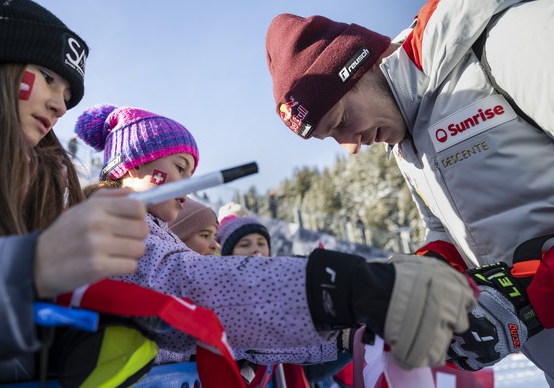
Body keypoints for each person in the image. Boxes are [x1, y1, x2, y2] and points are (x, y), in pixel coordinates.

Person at [265, 0, 554, 383]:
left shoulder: (506, 41)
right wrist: (415, 280)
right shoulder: (408, 143)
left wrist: (528, 296)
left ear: (360, 67)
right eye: (331, 138)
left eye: (341, 122)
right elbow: (446, 235)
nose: (350, 146)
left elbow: (524, 290)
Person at [75, 104, 476, 376]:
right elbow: (194, 290)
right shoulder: (115, 223)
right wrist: (333, 290)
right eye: (180, 167)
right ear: (131, 164)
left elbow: (229, 329)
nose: (188, 185)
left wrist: (338, 330)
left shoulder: (144, 227)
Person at [0, 0, 150, 385]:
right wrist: (30, 268)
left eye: (67, 94)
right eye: (49, 77)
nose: (60, 105)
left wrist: (74, 332)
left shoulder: (36, 188)